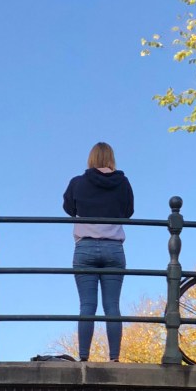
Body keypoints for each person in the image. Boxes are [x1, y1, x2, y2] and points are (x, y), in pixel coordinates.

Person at [63, 142, 134, 362]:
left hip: (85, 248)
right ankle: (114, 358)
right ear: (111, 158)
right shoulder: (123, 183)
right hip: (114, 248)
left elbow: (68, 208)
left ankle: (84, 358)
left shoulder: (77, 183)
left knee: (87, 305)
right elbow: (128, 211)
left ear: (91, 159)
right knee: (112, 306)